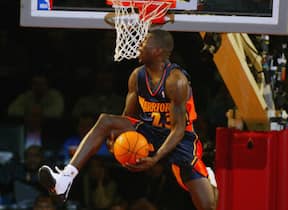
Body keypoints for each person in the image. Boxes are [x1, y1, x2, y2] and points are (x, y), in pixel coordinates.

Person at [38, 29, 217, 210]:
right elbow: (128, 117)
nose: (139, 44)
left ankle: (210, 178)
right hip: (151, 131)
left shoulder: (176, 81)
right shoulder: (137, 76)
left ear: (158, 51)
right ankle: (65, 179)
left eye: (145, 42)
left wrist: (155, 159)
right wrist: (115, 138)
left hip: (179, 141)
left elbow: (178, 130)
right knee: (106, 121)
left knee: (207, 205)